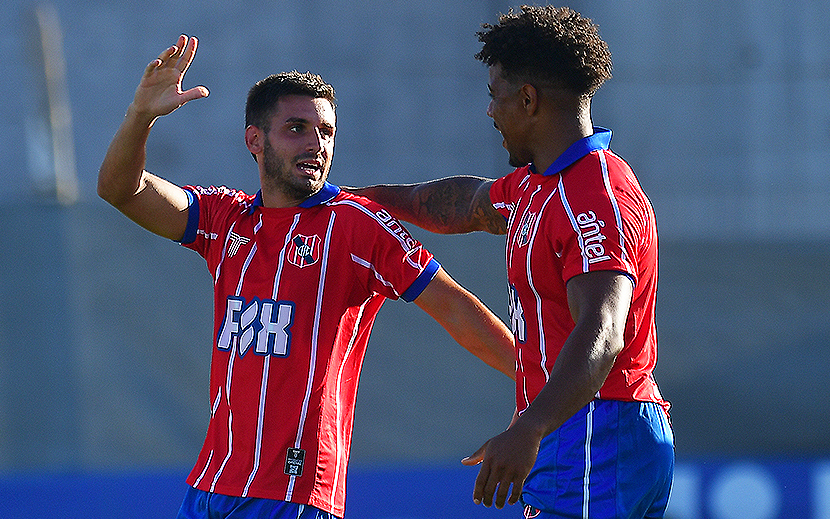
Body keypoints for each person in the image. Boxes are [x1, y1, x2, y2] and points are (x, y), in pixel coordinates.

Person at [98, 35, 515, 519]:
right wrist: (140, 115)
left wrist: (543, 394)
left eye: (326, 131)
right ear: (255, 141)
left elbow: (456, 308)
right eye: (296, 129)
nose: (316, 144)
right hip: (210, 484)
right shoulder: (226, 218)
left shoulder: (356, 223)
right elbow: (120, 190)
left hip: (294, 493)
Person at [348, 5, 674, 518]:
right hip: (591, 429)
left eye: (494, 95)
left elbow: (603, 330)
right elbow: (462, 204)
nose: (489, 111)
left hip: (598, 427)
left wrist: (530, 427)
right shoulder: (535, 185)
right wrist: (351, 201)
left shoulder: (593, 196)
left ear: (527, 99)